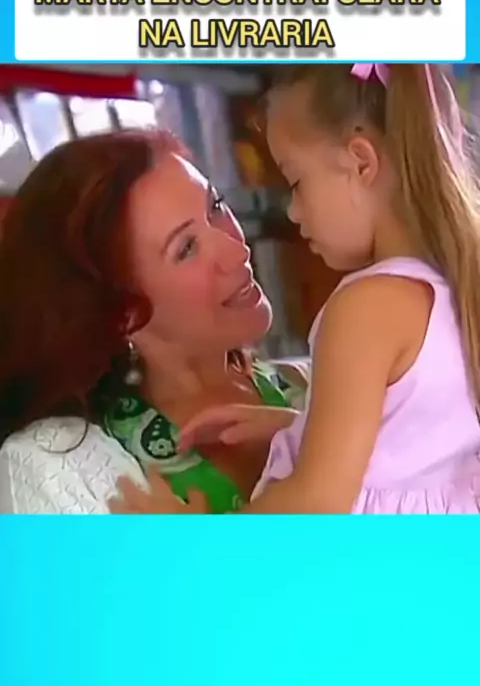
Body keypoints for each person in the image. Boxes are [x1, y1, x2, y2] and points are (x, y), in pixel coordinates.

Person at [110, 63, 480, 515]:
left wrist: (199, 540)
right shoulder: (452, 284)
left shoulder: (365, 308)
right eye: (186, 247)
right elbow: (418, 439)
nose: (293, 212)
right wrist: (299, 427)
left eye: (296, 183)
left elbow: (318, 503)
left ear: (361, 162)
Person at [0, 128, 307, 514]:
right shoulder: (52, 466)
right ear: (123, 312)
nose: (236, 249)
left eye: (215, 207)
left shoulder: (319, 388)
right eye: (187, 248)